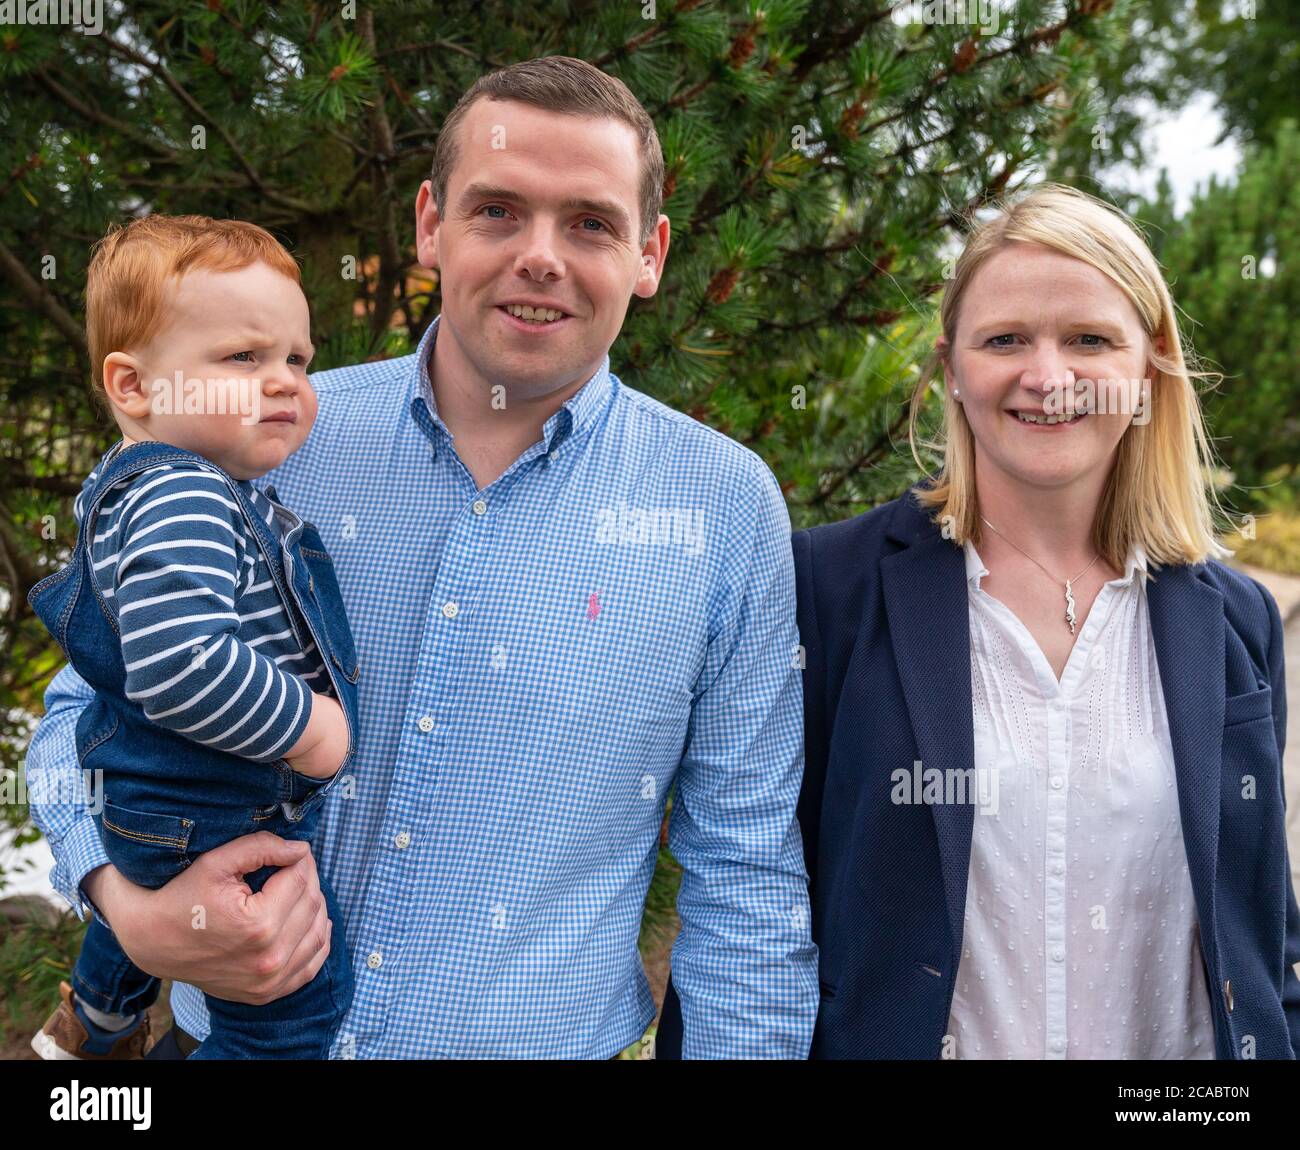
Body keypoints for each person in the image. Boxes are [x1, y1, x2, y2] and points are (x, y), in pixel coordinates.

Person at [26, 55, 818, 1059]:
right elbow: (83, 709)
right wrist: (122, 901)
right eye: (497, 211)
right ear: (428, 225)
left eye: (589, 222)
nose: (540, 255)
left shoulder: (723, 506)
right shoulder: (267, 437)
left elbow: (743, 866)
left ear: (650, 253)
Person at [661, 183, 1300, 1060]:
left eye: (1089, 339)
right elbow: (746, 900)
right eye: (1006, 340)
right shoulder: (827, 587)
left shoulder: (1236, 621)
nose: (1048, 377)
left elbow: (1263, 940)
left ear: (1148, 367)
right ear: (951, 369)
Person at [26, 215, 358, 1059]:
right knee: (296, 1009)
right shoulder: (189, 495)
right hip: (211, 804)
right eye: (243, 358)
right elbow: (183, 667)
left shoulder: (139, 486)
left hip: (151, 802)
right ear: (135, 388)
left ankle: (97, 1018)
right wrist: (315, 729)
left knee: (151, 862)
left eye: (297, 360)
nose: (283, 381)